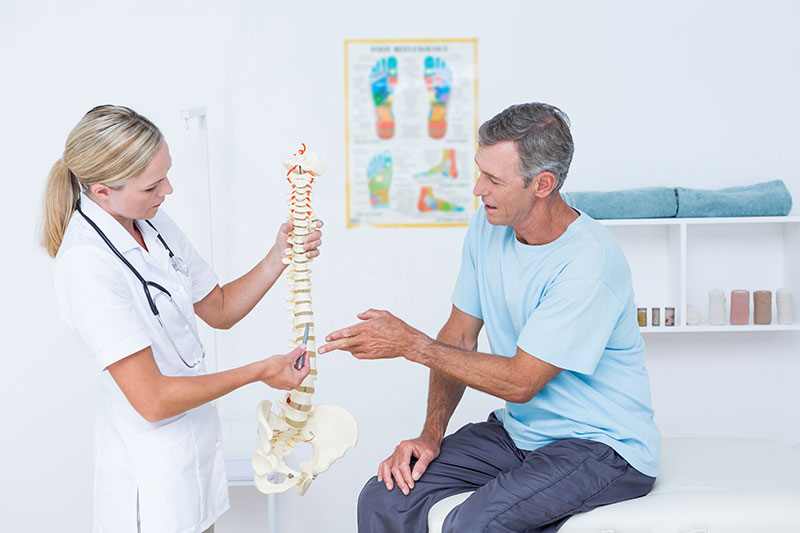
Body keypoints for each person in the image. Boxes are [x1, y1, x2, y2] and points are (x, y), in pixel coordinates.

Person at [318, 103, 661, 532]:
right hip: (521, 436)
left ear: (543, 184)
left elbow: (521, 381)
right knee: (386, 497)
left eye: (494, 180)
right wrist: (430, 435)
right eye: (480, 172)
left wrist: (412, 345)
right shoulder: (488, 227)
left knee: (475, 524)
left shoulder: (587, 263)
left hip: (600, 445)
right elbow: (459, 338)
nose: (479, 189)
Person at [42, 105, 322, 533]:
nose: (168, 190)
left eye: (166, 175)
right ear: (101, 191)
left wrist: (283, 253)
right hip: (149, 483)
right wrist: (260, 372)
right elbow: (152, 400)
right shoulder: (86, 265)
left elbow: (221, 309)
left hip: (190, 468)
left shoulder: (150, 222)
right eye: (153, 185)